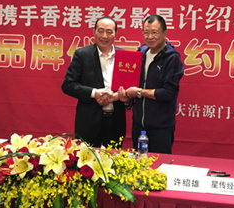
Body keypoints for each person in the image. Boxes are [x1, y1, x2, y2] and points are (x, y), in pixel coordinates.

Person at [118, 15, 184, 154]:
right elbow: (132, 86)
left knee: (160, 165)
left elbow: (169, 93)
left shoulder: (172, 57)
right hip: (138, 126)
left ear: (164, 33)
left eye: (154, 32)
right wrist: (127, 99)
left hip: (161, 128)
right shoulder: (141, 53)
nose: (150, 37)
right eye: (146, 32)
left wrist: (139, 92)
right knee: (138, 164)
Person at [61, 16, 126, 147]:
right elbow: (68, 85)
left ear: (115, 34)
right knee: (86, 158)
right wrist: (94, 93)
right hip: (88, 122)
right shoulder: (82, 54)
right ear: (94, 32)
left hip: (115, 121)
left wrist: (120, 96)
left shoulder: (124, 55)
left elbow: (129, 86)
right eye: (100, 31)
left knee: (113, 158)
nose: (104, 36)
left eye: (109, 32)